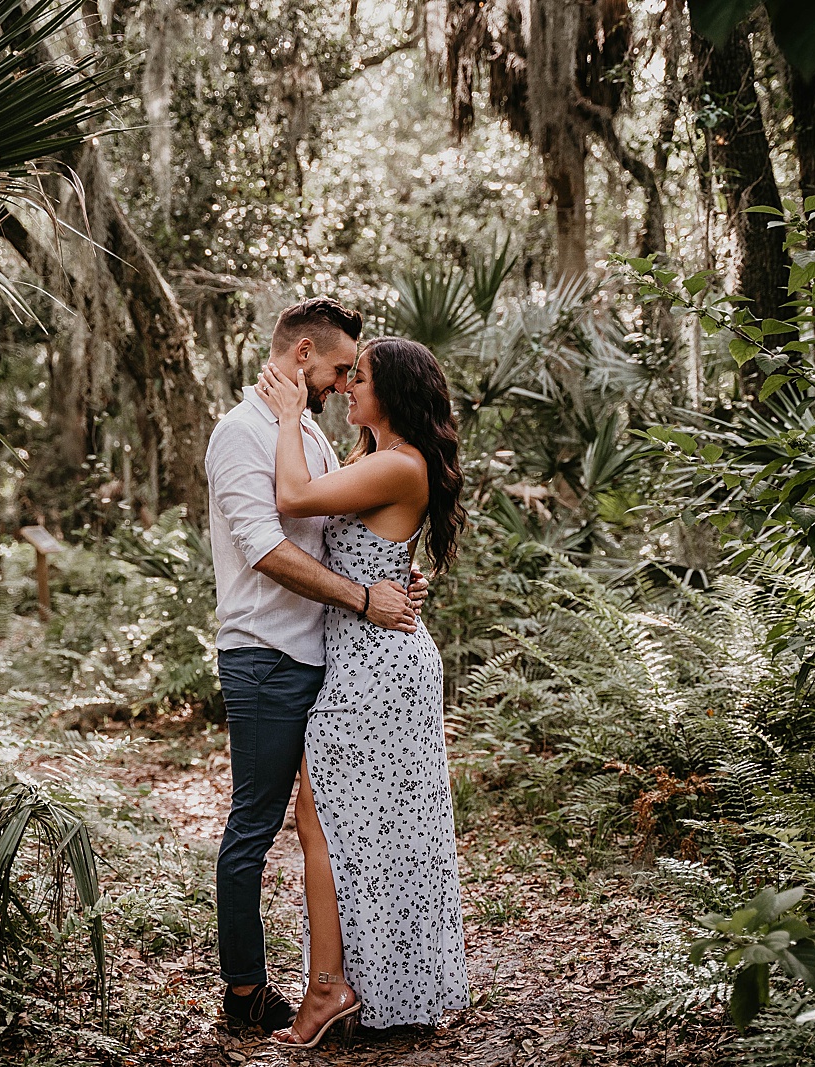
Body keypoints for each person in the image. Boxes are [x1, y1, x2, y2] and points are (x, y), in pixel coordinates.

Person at [205, 298, 428, 1035]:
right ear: (302, 356)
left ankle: (361, 984)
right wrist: (366, 598)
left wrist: (396, 578)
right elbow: (267, 549)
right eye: (338, 369)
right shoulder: (241, 434)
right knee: (258, 824)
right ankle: (244, 993)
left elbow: (342, 536)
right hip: (267, 658)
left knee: (331, 828)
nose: (342, 385)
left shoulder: (311, 437)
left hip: (333, 665)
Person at [255, 336, 470, 1047]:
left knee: (322, 817)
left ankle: (331, 988)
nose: (348, 384)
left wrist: (288, 414)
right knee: (357, 825)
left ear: (396, 391)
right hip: (366, 654)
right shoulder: (378, 460)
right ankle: (372, 985)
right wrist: (398, 577)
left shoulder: (399, 464)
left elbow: (291, 498)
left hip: (378, 665)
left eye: (362, 376)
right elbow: (366, 550)